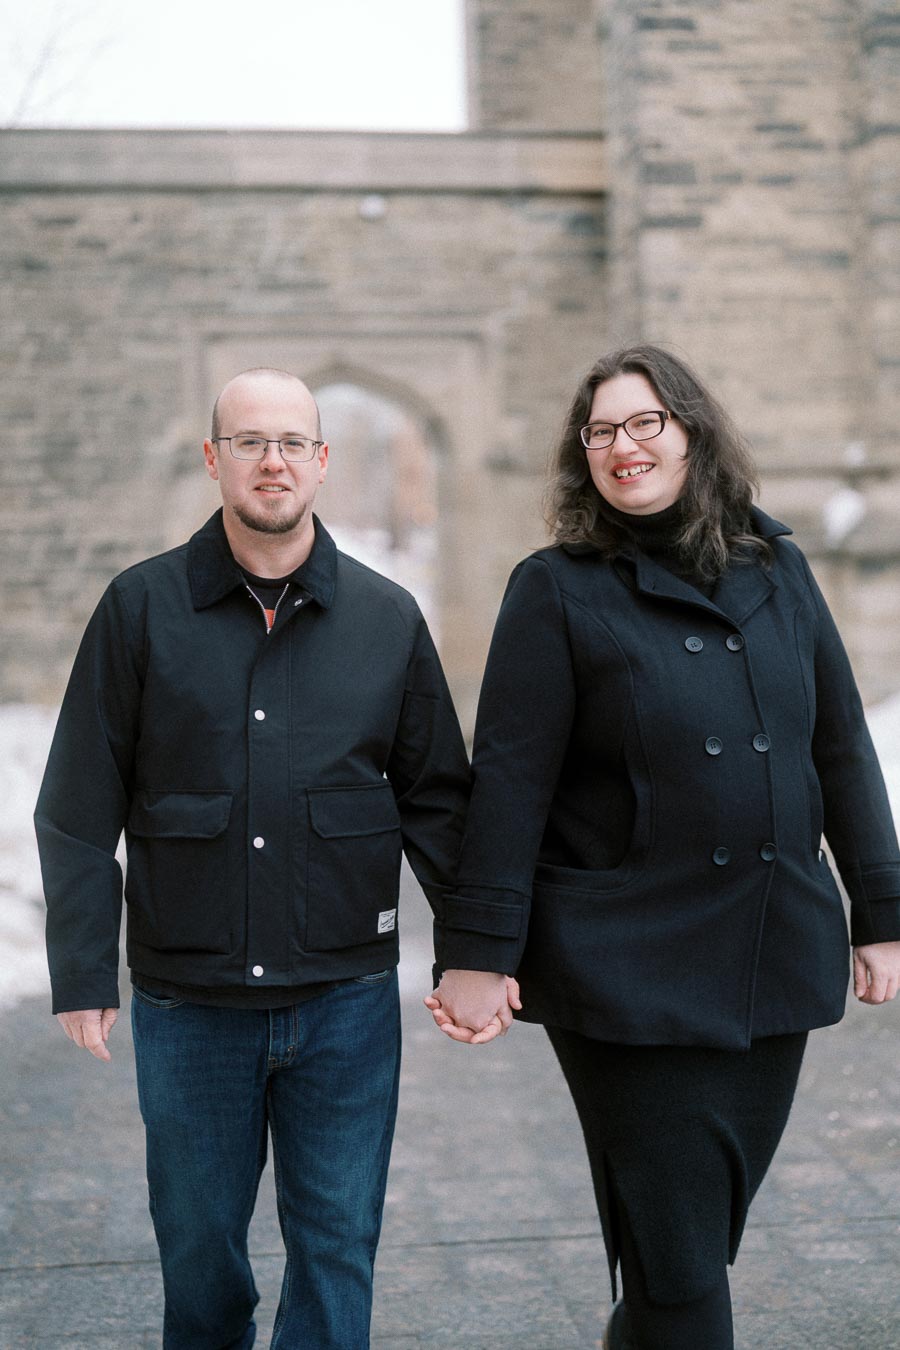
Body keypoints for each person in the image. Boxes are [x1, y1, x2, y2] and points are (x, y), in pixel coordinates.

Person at [426, 345, 900, 1350]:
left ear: (693, 432)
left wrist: (883, 911)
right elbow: (511, 780)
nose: (623, 446)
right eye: (600, 431)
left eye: (645, 423)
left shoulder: (781, 570)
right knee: (682, 1260)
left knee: (693, 1240)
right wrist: (477, 951)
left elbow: (842, 749)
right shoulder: (557, 589)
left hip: (773, 946)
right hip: (626, 966)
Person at [35, 367, 470, 1350]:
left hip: (347, 1003)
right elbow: (75, 804)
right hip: (192, 1009)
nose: (272, 461)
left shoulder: (386, 619)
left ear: (320, 461)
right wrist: (79, 967)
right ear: (213, 458)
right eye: (248, 442)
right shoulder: (140, 610)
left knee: (336, 1249)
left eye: (291, 443)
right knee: (199, 1259)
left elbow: (441, 798)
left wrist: (475, 952)